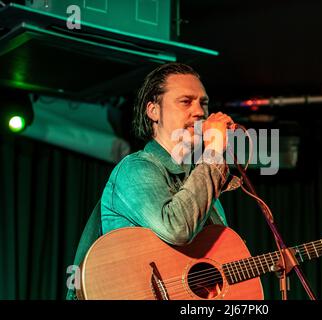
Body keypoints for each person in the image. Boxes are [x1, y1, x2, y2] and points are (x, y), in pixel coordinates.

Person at [66, 62, 235, 299]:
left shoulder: (205, 184)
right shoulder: (136, 168)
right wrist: (215, 154)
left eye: (203, 103)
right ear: (153, 111)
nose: (199, 112)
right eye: (186, 101)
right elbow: (177, 228)